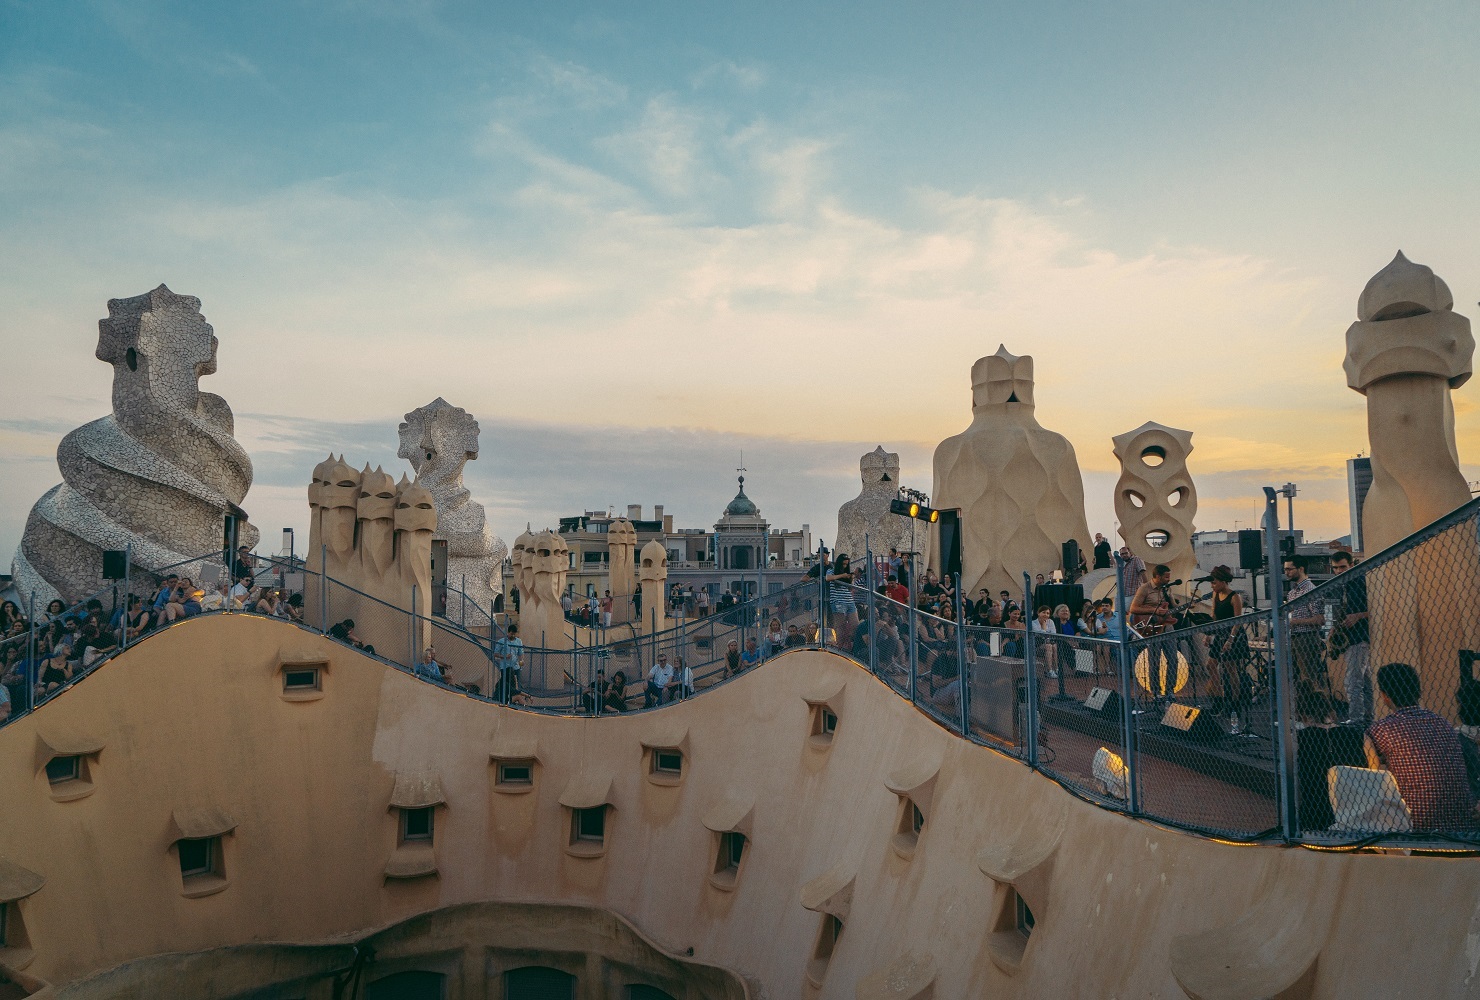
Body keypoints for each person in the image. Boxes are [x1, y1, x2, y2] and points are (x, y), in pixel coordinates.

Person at [1364, 662, 1479, 831]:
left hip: (1416, 821)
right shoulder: (1443, 723)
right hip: (1462, 819)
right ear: (1418, 691)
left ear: (1384, 695)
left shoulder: (1381, 729)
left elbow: (1372, 771)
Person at [1283, 554, 1334, 722]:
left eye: (1290, 569)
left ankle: (1319, 717)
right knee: (1298, 679)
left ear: (1301, 569)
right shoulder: (1292, 593)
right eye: (1285, 569)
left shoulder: (1310, 590)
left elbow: (1320, 619)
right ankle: (1302, 715)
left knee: (1310, 679)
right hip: (1295, 638)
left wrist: (1296, 622)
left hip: (1307, 638)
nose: (1287, 572)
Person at [1328, 549, 1372, 726]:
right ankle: (1368, 717)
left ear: (1351, 565)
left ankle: (1356, 720)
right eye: (1335, 568)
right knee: (1365, 682)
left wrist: (1357, 616)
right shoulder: (1340, 586)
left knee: (1352, 682)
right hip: (1349, 638)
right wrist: (1333, 628)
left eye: (1342, 567)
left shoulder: (1361, 582)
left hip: (1360, 637)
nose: (1339, 571)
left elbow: (1376, 606)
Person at [1205, 565, 1247, 711]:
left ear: (1223, 581)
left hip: (1233, 635)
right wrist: (1208, 634)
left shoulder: (1234, 597)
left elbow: (1238, 620)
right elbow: (1214, 616)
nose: (1213, 585)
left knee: (1231, 668)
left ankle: (1235, 702)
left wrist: (1230, 640)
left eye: (1215, 582)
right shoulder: (1215, 595)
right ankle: (1219, 697)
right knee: (1210, 665)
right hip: (1219, 634)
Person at [826, 554, 859, 649]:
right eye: (843, 564)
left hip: (849, 600)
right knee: (840, 627)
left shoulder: (847, 572)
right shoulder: (831, 570)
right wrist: (842, 575)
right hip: (838, 601)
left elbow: (850, 587)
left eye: (846, 564)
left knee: (855, 624)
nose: (844, 566)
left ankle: (849, 644)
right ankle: (840, 647)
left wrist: (850, 578)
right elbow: (828, 578)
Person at [492, 625, 523, 701]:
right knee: (507, 684)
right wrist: (504, 656)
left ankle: (516, 699)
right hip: (505, 668)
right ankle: (505, 699)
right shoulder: (502, 641)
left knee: (517, 683)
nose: (513, 635)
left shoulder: (518, 641)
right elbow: (495, 654)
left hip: (515, 667)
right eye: (511, 633)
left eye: (514, 634)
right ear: (508, 632)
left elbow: (521, 653)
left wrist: (521, 660)